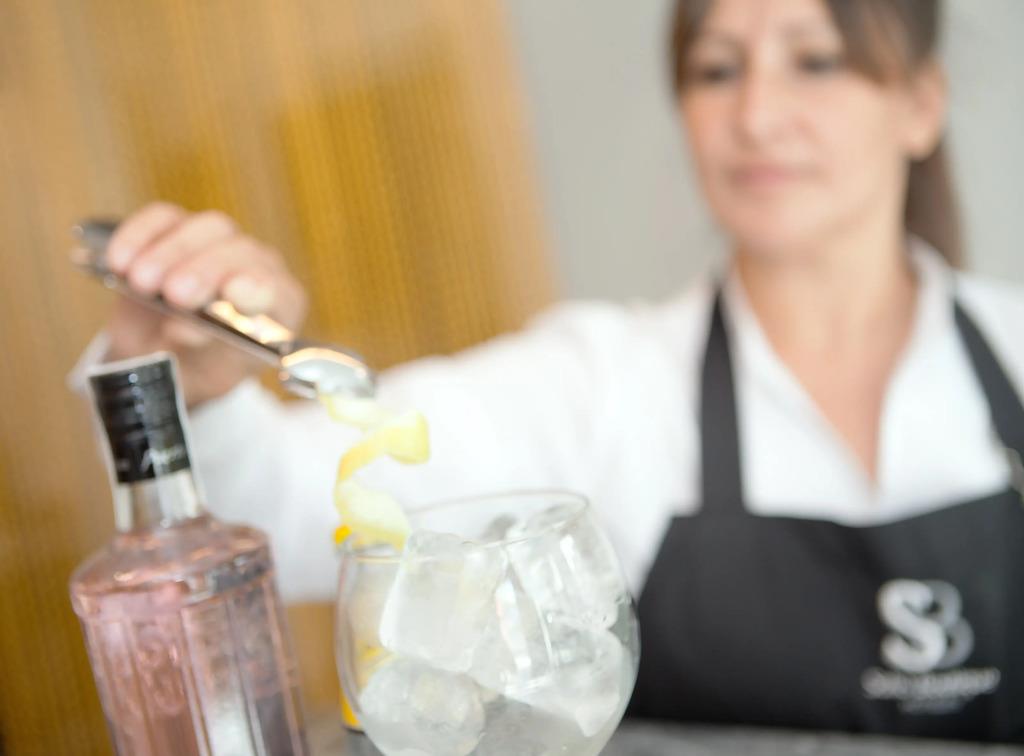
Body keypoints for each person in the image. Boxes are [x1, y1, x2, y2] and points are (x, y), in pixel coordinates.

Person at [74, 0, 1024, 741]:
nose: (758, 114)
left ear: (920, 104)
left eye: (815, 61)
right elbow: (271, 507)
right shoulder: (602, 384)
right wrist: (193, 379)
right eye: (716, 70)